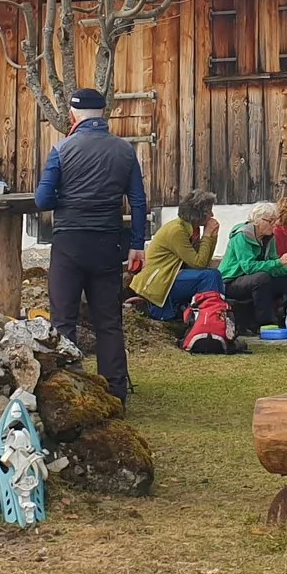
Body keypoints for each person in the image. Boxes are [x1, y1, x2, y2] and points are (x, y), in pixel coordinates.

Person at [35, 87, 150, 402]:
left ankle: (68, 392)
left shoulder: (61, 149)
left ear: (73, 114)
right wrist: (137, 244)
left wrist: (66, 199)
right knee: (109, 322)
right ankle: (116, 393)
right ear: (103, 113)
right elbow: (138, 201)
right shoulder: (125, 151)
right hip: (107, 243)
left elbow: (43, 200)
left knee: (63, 320)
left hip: (69, 242)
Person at [131, 190, 224, 322]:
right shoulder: (177, 231)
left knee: (214, 274)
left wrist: (212, 237)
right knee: (209, 276)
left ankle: (218, 316)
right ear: (198, 214)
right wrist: (207, 235)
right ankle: (209, 319)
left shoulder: (192, 229)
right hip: (160, 281)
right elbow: (199, 263)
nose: (212, 215)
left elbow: (204, 262)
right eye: (209, 211)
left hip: (171, 276)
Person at [219, 202, 287, 326]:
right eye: (270, 221)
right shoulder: (242, 236)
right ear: (257, 220)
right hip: (230, 281)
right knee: (262, 278)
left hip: (253, 279)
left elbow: (273, 267)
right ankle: (265, 323)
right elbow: (249, 267)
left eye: (274, 221)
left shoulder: (270, 238)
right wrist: (278, 262)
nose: (273, 225)